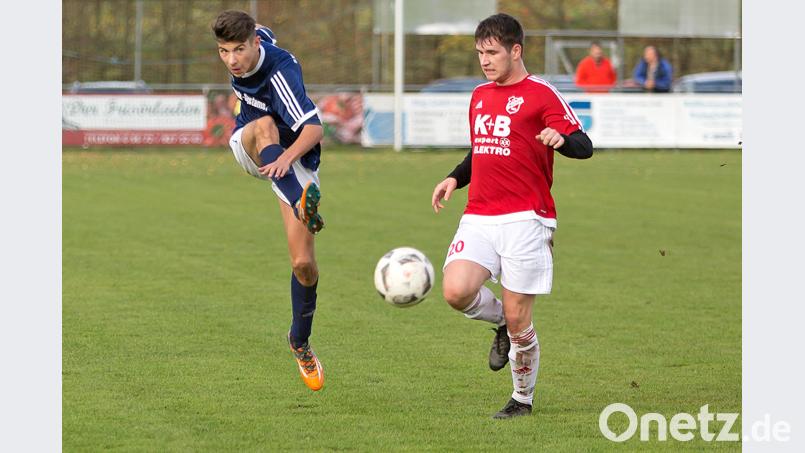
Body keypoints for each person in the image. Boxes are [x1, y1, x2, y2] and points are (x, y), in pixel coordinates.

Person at [431, 13, 593, 419]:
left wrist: (561, 140)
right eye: (479, 53)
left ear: (515, 50)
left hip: (527, 218)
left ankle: (522, 399)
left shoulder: (541, 93)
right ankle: (502, 321)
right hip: (480, 214)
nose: (484, 61)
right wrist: (454, 178)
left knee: (523, 322)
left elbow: (584, 144)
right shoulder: (479, 95)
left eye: (492, 52)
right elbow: (483, 149)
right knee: (456, 291)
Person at [212, 10, 325, 391]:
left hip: (294, 158)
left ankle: (299, 341)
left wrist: (287, 159)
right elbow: (263, 29)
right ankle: (299, 202)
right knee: (262, 125)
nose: (232, 60)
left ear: (255, 45)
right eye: (224, 51)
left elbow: (315, 129)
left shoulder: (281, 72)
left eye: (239, 50)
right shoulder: (255, 39)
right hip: (250, 143)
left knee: (303, 265)